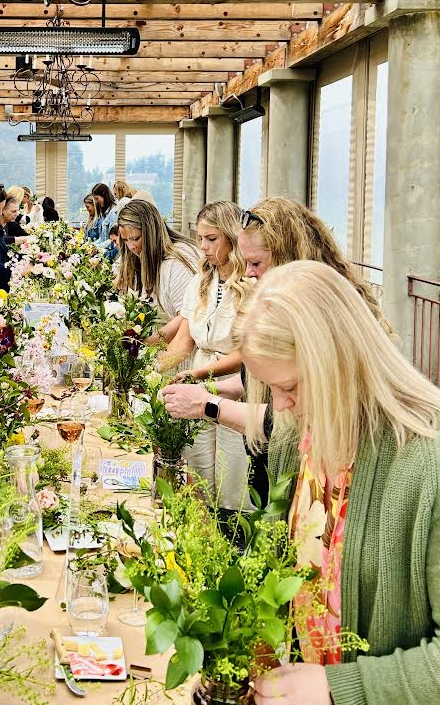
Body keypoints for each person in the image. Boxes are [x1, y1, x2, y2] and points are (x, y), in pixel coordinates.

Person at [235, 261, 440, 705]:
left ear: (337, 363)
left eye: (291, 388)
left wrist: (341, 692)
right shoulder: (303, 435)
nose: (283, 406)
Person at [163, 197, 393, 504]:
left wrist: (209, 404)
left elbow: (286, 421)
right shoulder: (286, 308)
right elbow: (253, 381)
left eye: (256, 264)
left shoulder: (321, 321)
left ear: (291, 256)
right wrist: (205, 388)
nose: (249, 274)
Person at [158, 202, 253, 509]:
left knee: (232, 475)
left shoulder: (251, 284)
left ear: (232, 238)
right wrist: (153, 373)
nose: (203, 247)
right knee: (197, 468)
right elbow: (183, 341)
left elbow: (247, 351)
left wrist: (200, 376)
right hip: (198, 372)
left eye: (211, 239)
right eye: (200, 238)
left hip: (236, 383)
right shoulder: (201, 281)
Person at [116, 199, 199, 344]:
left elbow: (186, 317)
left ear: (150, 233)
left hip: (180, 347)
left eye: (135, 238)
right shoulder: (139, 256)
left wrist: (147, 344)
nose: (131, 246)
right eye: (125, 240)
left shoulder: (178, 261)